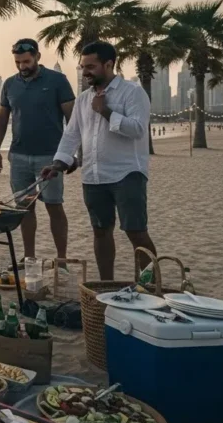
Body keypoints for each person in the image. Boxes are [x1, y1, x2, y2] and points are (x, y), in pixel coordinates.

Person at [41, 41, 155, 281]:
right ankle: (106, 285)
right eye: (83, 67)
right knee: (101, 231)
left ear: (109, 64)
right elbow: (71, 135)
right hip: (93, 176)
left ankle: (150, 285)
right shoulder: (83, 99)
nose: (85, 72)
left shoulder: (133, 92)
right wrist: (58, 164)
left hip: (127, 174)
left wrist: (106, 112)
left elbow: (137, 129)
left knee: (136, 232)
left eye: (91, 66)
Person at [0, 38, 76, 268]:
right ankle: (29, 258)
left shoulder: (57, 81)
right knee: (24, 208)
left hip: (51, 156)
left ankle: (61, 260)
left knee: (54, 206)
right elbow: (2, 118)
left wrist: (71, 153)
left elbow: (73, 119)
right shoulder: (10, 84)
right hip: (18, 156)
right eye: (18, 62)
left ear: (38, 56)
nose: (22, 66)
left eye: (26, 61)